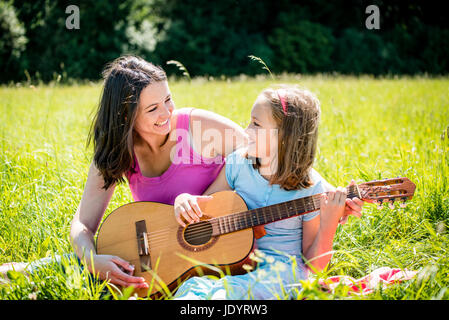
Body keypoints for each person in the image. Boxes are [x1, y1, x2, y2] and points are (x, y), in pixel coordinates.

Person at [0, 56, 365, 293]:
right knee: (60, 269)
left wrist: (334, 198)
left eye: (168, 100)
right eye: (153, 109)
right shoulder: (115, 152)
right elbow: (83, 224)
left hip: (208, 260)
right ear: (126, 117)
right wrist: (91, 259)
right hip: (154, 247)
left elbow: (279, 156)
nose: (166, 114)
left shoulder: (198, 127)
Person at [172, 85, 360, 299]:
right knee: (195, 286)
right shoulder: (238, 164)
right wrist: (184, 199)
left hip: (282, 273)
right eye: (250, 121)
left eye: (256, 124)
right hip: (238, 265)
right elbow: (206, 207)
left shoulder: (310, 188)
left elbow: (313, 265)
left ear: (285, 137)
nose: (246, 131)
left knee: (221, 295)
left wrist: (329, 222)